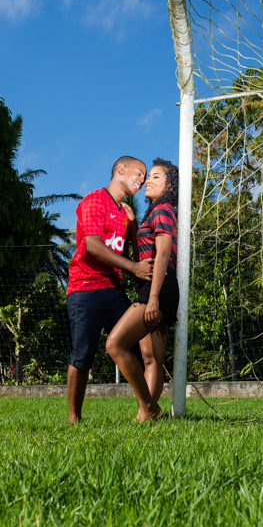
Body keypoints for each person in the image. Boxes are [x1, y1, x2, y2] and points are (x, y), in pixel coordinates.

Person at [66, 156, 153, 424]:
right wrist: (135, 269)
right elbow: (93, 245)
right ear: (120, 169)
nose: (142, 178)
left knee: (139, 345)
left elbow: (128, 254)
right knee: (82, 356)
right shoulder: (95, 200)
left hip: (113, 289)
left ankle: (148, 409)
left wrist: (134, 224)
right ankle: (74, 419)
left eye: (145, 176)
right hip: (85, 288)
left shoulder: (125, 213)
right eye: (138, 172)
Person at [106, 158, 179, 421]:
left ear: (170, 185)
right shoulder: (155, 213)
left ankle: (148, 409)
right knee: (151, 358)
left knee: (115, 344)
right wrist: (134, 223)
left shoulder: (164, 210)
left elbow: (161, 257)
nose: (148, 180)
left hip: (158, 287)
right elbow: (142, 256)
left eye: (156, 177)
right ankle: (145, 414)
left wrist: (153, 299)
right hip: (155, 286)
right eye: (149, 176)